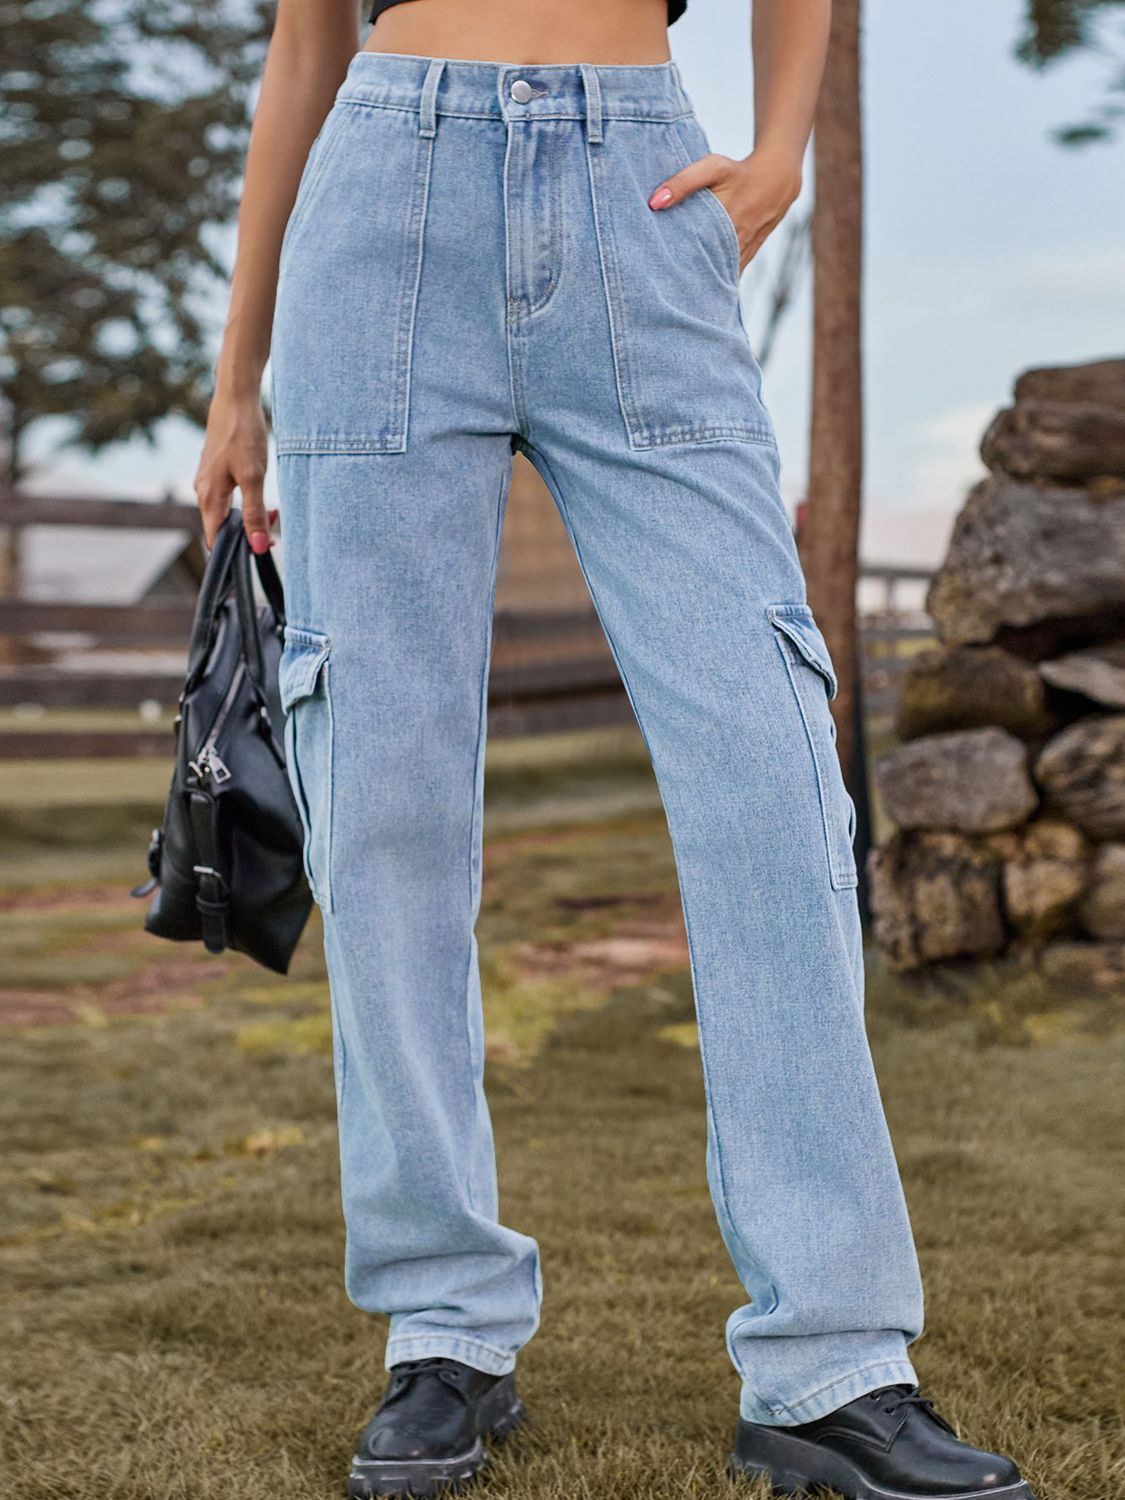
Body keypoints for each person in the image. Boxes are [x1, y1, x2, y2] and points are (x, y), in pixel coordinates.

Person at [193, 1, 1034, 1497]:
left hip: (639, 192)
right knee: (381, 808)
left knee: (772, 774)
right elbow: (304, 41)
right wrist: (233, 377)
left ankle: (833, 1361)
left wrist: (779, 148)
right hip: (381, 206)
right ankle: (439, 1327)